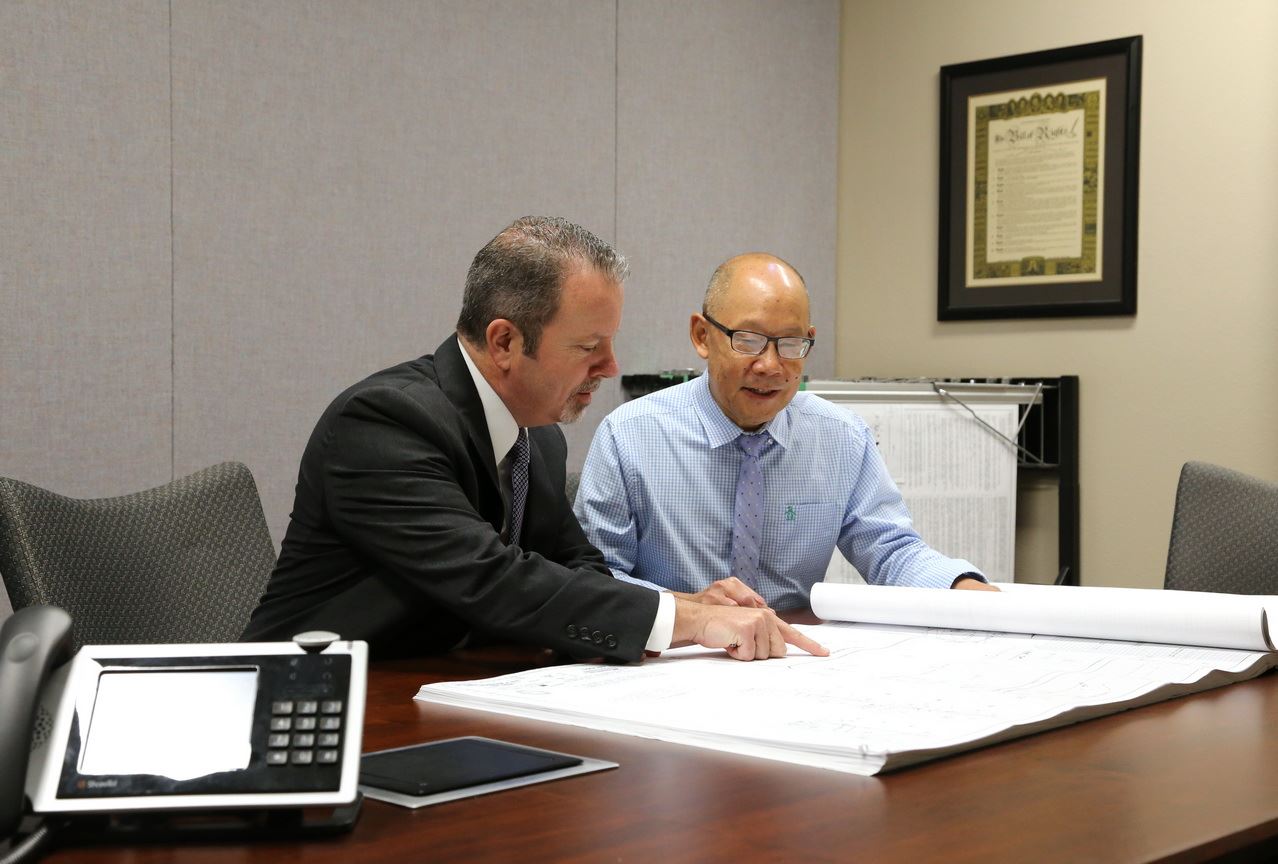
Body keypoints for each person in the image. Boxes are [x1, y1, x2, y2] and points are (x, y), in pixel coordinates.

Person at [242, 219, 826, 662]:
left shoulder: (535, 436)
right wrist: (687, 621)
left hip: (449, 692)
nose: (610, 366)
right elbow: (493, 580)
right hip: (308, 707)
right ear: (504, 343)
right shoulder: (383, 423)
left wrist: (690, 604)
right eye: (588, 347)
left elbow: (577, 567)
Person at [573, 252, 996, 611]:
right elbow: (598, 578)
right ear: (702, 336)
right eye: (748, 340)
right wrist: (689, 609)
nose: (770, 366)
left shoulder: (841, 438)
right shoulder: (629, 437)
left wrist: (964, 590)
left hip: (792, 658)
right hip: (674, 656)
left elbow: (889, 550)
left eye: (791, 344)